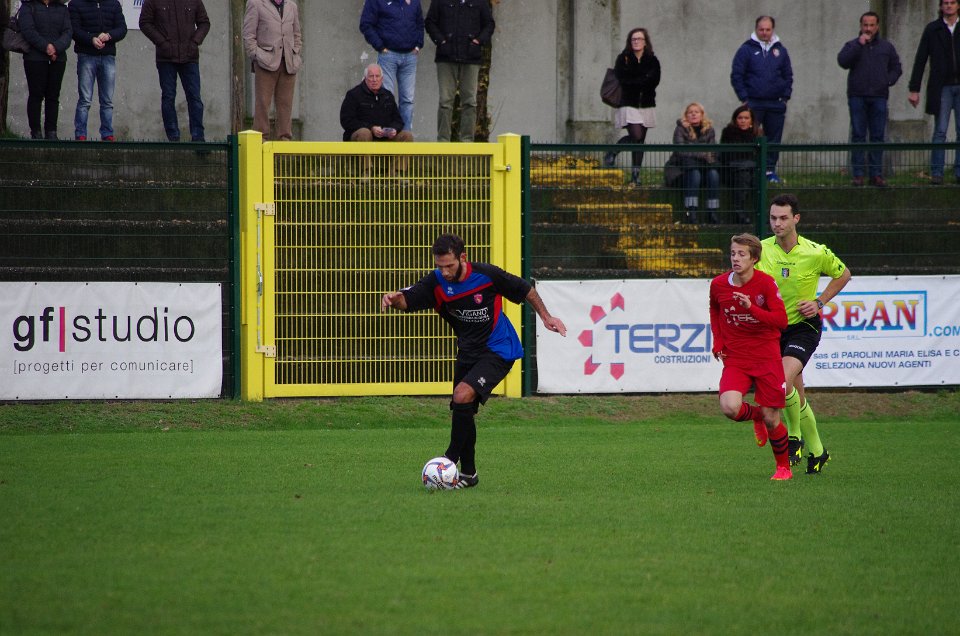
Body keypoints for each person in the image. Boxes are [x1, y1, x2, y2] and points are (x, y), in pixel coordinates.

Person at [380, 233, 567, 488]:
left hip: (499, 348)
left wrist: (546, 317)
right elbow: (407, 299)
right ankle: (468, 474)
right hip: (468, 352)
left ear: (463, 257)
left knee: (462, 395)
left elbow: (526, 289)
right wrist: (394, 299)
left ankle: (447, 461)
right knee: (463, 409)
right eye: (439, 266)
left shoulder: (487, 275)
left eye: (449, 265)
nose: (444, 272)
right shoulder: (436, 282)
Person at [756, 194, 852, 474]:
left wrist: (819, 302)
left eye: (783, 218)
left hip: (803, 327)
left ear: (796, 219)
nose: (777, 223)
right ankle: (818, 452)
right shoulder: (761, 250)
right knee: (794, 392)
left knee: (781, 382)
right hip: (773, 329)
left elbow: (844, 274)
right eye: (773, 218)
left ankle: (794, 438)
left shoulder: (815, 252)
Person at [709, 233, 792, 481]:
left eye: (741, 254)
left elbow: (781, 321)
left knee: (772, 418)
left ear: (754, 258)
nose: (735, 258)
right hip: (736, 357)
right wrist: (718, 341)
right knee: (729, 407)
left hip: (766, 357)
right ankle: (757, 416)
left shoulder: (766, 284)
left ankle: (783, 468)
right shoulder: (719, 284)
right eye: (733, 253)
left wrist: (751, 309)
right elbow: (714, 308)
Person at [837, 11, 902, 187]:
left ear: (877, 26)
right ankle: (858, 174)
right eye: (865, 25)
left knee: (877, 136)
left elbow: (896, 67)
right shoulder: (852, 45)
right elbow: (842, 61)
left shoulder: (886, 47)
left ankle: (876, 174)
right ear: (861, 26)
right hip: (857, 96)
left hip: (879, 96)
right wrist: (859, 45)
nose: (868, 28)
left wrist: (887, 80)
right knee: (858, 135)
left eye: (872, 25)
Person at [730, 15, 793, 184]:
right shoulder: (746, 49)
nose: (764, 32)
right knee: (752, 138)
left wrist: (785, 97)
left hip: (775, 103)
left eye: (768, 29)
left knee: (773, 139)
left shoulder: (781, 51)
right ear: (756, 29)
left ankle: (769, 172)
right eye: (761, 29)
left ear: (772, 30)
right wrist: (744, 99)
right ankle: (752, 171)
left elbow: (788, 75)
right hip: (753, 103)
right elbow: (737, 75)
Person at [139, 0, 211, 142]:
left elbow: (204, 23)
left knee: (195, 98)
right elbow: (145, 23)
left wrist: (195, 42)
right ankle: (173, 138)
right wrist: (162, 43)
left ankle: (198, 138)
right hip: (166, 58)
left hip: (190, 57)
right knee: (168, 97)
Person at [424, 0, 495, 142]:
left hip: (471, 58)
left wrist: (478, 41)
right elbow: (430, 22)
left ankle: (467, 141)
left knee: (470, 102)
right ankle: (443, 141)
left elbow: (489, 24)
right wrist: (441, 40)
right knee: (445, 101)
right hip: (446, 58)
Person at [908, 0, 960, 185]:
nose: (949, 6)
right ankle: (937, 172)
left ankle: (959, 171)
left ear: (958, 6)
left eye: (952, 2)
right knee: (940, 130)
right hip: (942, 86)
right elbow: (921, 58)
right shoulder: (933, 29)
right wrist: (914, 88)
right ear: (940, 6)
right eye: (945, 3)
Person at [603, 27, 660, 185]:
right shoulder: (624, 58)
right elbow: (623, 79)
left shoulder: (652, 59)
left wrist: (637, 80)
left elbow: (654, 80)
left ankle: (635, 176)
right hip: (629, 103)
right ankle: (612, 152)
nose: (636, 41)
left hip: (646, 104)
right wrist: (642, 80)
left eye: (639, 39)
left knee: (640, 142)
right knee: (636, 136)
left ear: (645, 42)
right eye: (633, 39)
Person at [359, 0, 424, 135]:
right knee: (386, 98)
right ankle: (388, 136)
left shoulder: (414, 1)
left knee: (408, 100)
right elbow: (366, 24)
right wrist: (380, 47)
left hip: (410, 56)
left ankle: (405, 137)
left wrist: (418, 45)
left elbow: (420, 23)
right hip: (388, 56)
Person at [242, 0, 303, 141]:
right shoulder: (255, 4)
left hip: (288, 62)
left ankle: (284, 137)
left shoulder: (292, 6)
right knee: (263, 102)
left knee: (286, 104)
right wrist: (257, 55)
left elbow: (297, 34)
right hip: (265, 62)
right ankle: (261, 137)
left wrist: (295, 53)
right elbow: (248, 35)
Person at [69, 0, 127, 141]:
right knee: (85, 99)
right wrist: (91, 39)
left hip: (108, 56)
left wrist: (109, 36)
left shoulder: (114, 4)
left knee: (107, 100)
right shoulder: (75, 4)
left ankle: (107, 134)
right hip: (86, 55)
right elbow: (74, 30)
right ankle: (80, 134)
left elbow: (122, 29)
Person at [18, 0, 72, 140]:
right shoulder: (28, 6)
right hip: (35, 58)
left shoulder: (62, 8)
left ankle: (51, 132)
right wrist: (46, 47)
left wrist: (56, 47)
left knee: (53, 96)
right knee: (36, 95)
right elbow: (28, 30)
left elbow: (68, 32)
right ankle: (36, 132)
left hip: (58, 59)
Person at [669, 102, 720, 224]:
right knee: (694, 174)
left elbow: (713, 150)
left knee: (713, 174)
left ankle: (712, 212)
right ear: (686, 115)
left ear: (702, 115)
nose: (693, 114)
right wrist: (702, 154)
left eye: (696, 112)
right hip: (683, 171)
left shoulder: (709, 129)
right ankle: (691, 212)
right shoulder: (681, 129)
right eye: (690, 112)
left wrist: (704, 155)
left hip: (705, 167)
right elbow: (681, 151)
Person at [720, 105, 760, 224]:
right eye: (740, 118)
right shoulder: (728, 132)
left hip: (751, 170)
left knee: (754, 177)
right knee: (743, 174)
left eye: (746, 118)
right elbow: (727, 156)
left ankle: (759, 213)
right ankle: (738, 211)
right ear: (735, 119)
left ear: (751, 120)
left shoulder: (757, 134)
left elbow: (759, 157)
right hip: (730, 171)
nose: (743, 121)